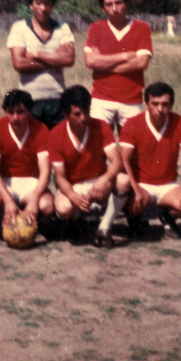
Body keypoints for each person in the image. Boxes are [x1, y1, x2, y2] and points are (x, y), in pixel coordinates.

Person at [48, 86, 130, 248]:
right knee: (64, 209)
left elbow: (117, 161)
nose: (84, 118)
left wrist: (104, 179)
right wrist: (72, 195)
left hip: (98, 182)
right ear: (66, 114)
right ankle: (78, 219)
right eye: (77, 114)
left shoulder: (100, 126)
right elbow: (60, 178)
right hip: (73, 185)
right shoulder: (56, 134)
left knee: (123, 180)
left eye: (86, 111)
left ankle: (104, 228)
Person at [119, 82, 181, 239]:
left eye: (165, 104)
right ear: (146, 104)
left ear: (171, 105)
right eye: (155, 104)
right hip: (141, 184)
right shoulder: (133, 123)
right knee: (134, 204)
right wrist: (135, 188)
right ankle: (134, 218)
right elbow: (124, 159)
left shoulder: (180, 122)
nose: (160, 109)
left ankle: (168, 216)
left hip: (167, 185)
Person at [84, 0, 153, 131]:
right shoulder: (96, 28)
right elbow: (89, 61)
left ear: (126, 3)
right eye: (109, 4)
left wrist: (102, 63)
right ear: (103, 8)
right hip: (101, 99)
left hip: (131, 100)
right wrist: (124, 56)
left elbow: (141, 63)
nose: (114, 9)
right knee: (100, 149)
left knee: (130, 150)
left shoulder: (141, 28)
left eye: (118, 2)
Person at [7, 0, 75, 129]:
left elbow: (69, 59)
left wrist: (36, 54)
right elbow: (19, 63)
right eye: (38, 3)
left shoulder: (63, 28)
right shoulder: (19, 28)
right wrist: (55, 59)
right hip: (29, 100)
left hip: (58, 98)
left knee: (57, 146)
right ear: (31, 5)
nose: (43, 8)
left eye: (47, 3)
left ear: (53, 5)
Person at [0, 90, 54, 229]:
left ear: (30, 111)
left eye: (20, 112)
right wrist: (8, 200)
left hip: (31, 182)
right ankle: (6, 216)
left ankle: (31, 216)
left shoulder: (41, 129)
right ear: (5, 111)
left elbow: (45, 171)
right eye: (10, 112)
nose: (15, 117)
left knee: (47, 207)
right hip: (6, 180)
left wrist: (34, 200)